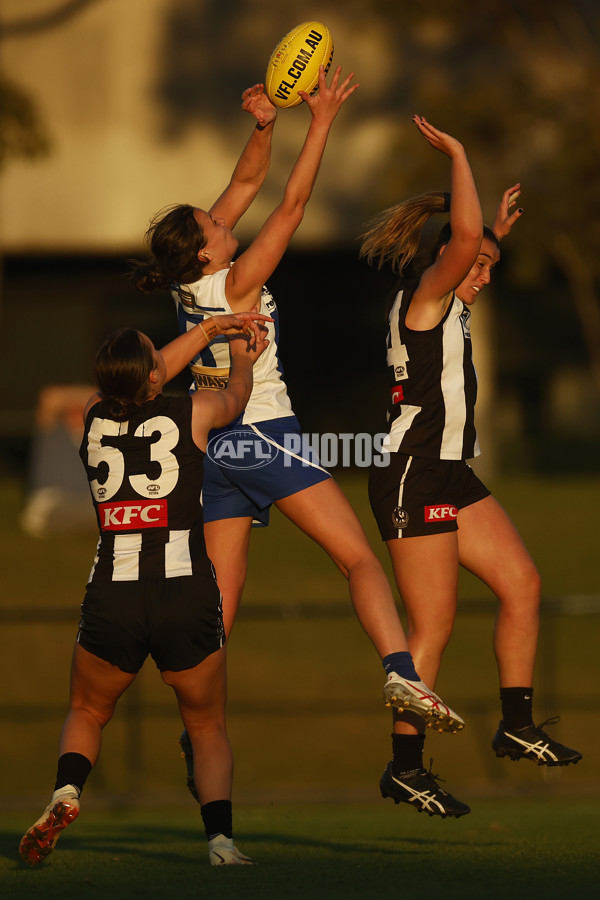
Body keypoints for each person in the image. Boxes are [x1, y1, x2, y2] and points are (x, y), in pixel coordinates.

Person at [130, 71, 467, 800]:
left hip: (212, 445)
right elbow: (291, 203)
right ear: (208, 253)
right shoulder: (239, 280)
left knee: (222, 604)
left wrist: (262, 124)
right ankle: (401, 674)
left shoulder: (194, 281)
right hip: (264, 434)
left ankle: (197, 726)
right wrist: (320, 121)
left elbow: (247, 183)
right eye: (217, 224)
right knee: (357, 561)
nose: (229, 218)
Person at [360, 115, 583, 819]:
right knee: (433, 625)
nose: (484, 275)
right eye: (476, 265)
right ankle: (403, 768)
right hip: (413, 472)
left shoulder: (448, 302)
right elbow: (460, 245)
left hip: (453, 471)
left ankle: (515, 723)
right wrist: (459, 154)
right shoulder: (426, 299)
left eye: (489, 266)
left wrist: (494, 237)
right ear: (445, 263)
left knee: (522, 582)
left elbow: (470, 248)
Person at [19, 309, 273, 867]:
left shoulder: (88, 414)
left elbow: (144, 379)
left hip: (114, 593)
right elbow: (236, 396)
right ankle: (221, 844)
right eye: (156, 355)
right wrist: (238, 357)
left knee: (87, 710)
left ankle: (66, 792)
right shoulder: (197, 411)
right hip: (184, 592)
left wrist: (206, 330)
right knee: (205, 726)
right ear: (154, 377)